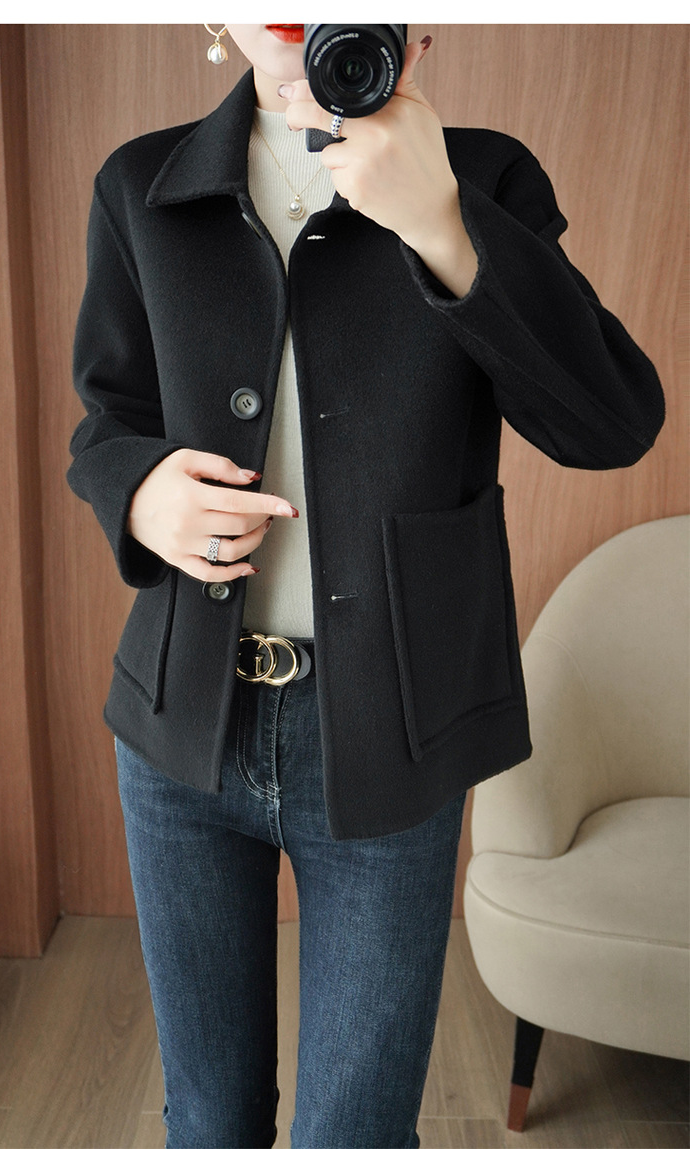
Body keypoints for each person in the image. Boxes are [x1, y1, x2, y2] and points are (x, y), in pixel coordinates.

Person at [67, 23, 664, 1149]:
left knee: (357, 1130)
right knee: (207, 1118)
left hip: (393, 728)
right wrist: (139, 494)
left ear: (422, 25)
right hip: (181, 730)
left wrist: (439, 220)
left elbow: (610, 421)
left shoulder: (485, 178)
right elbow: (109, 420)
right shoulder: (140, 185)